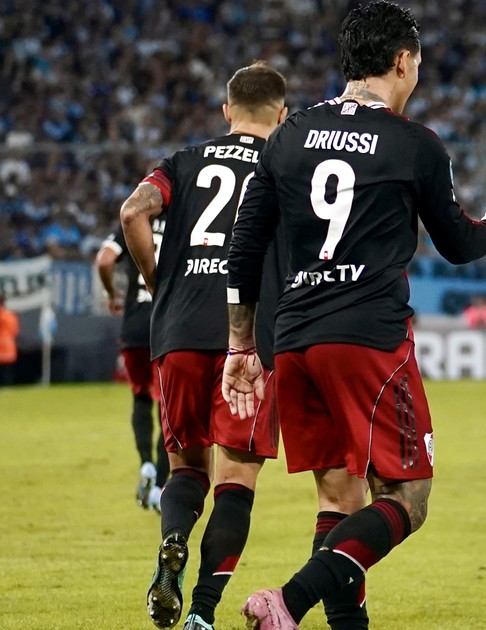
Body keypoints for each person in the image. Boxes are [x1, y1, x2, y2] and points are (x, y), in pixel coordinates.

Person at [220, 3, 486, 628]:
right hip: (369, 339)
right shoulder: (414, 143)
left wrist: (240, 346)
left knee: (339, 497)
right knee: (407, 497)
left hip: (294, 340)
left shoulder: (288, 136)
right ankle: (288, 601)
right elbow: (457, 243)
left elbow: (244, 247)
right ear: (402, 61)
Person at [121, 61, 355, 630]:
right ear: (282, 114)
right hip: (245, 338)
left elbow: (133, 212)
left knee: (185, 468)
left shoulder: (181, 163)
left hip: (176, 331)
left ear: (227, 111)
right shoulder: (286, 164)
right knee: (237, 481)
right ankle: (202, 613)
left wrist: (158, 282)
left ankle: (174, 539)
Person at [96, 228, 171, 511]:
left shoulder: (135, 219)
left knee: (140, 397)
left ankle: (146, 464)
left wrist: (110, 292)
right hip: (167, 324)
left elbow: (104, 260)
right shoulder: (182, 217)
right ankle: (160, 486)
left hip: (134, 327)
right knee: (168, 407)